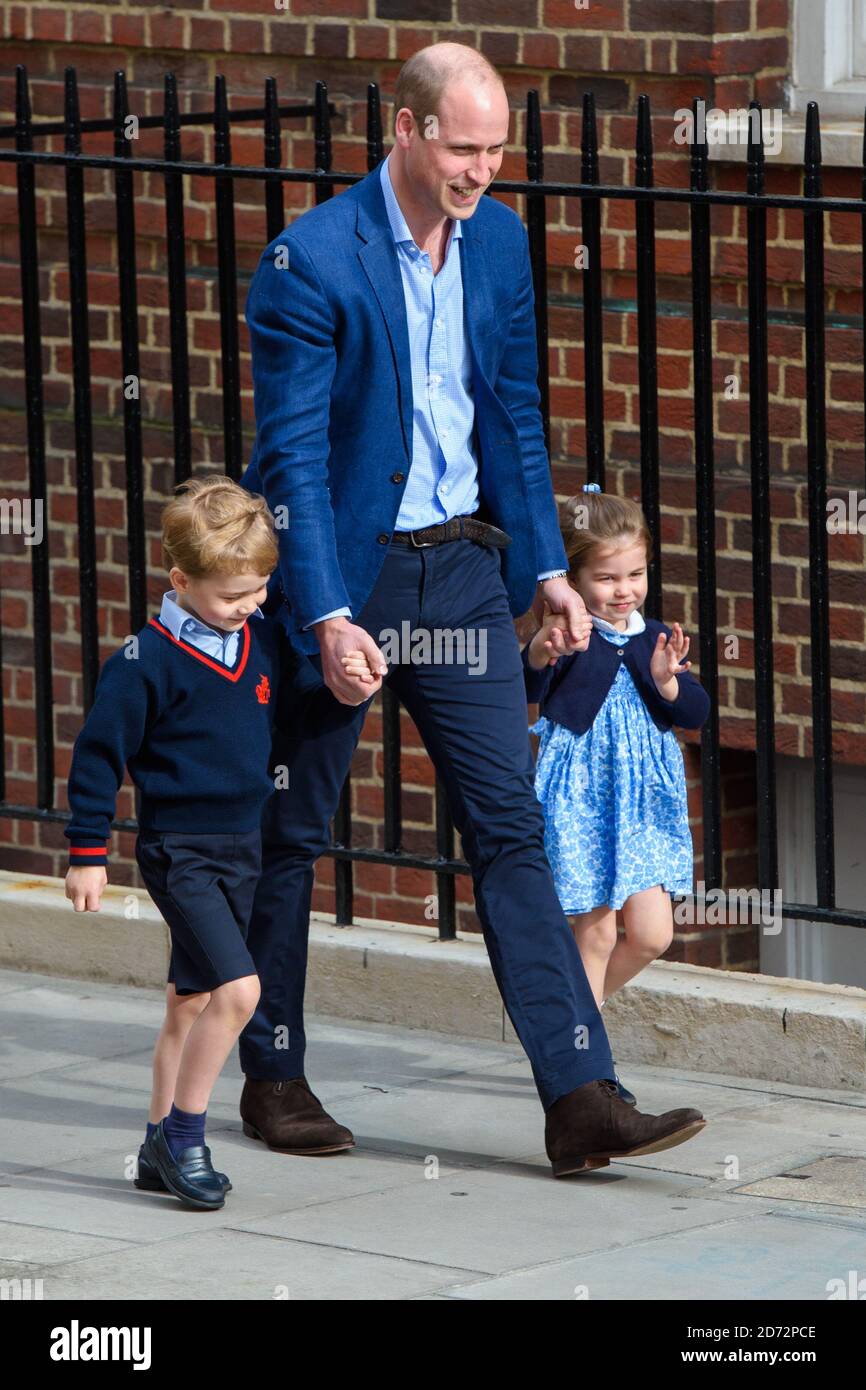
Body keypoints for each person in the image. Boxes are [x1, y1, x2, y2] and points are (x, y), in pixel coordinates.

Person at [239, 40, 706, 1177]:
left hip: (458, 574)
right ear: (400, 130)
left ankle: (578, 1094)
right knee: (295, 831)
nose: (482, 170)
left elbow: (512, 413)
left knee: (510, 830)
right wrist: (324, 615)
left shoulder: (496, 241)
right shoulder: (311, 263)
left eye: (496, 148)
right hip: (348, 583)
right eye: (461, 147)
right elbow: (292, 459)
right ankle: (274, 1072)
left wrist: (544, 565)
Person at [63, 476, 301, 1210]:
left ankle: (150, 1146)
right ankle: (185, 1138)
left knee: (188, 1005)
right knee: (240, 992)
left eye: (259, 591)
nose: (249, 607)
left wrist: (351, 680)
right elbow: (98, 755)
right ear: (180, 581)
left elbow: (295, 695)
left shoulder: (254, 642)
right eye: (233, 595)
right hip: (181, 852)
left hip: (242, 849)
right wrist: (87, 853)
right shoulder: (143, 662)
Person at [523, 484, 711, 1108]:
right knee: (596, 935)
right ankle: (584, 1061)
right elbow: (530, 680)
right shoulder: (568, 632)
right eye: (606, 577)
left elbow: (697, 713)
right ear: (573, 579)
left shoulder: (654, 637)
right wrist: (542, 648)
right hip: (583, 796)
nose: (623, 589)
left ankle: (569, 1027)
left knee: (653, 935)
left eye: (635, 574)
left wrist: (667, 684)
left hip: (642, 803)